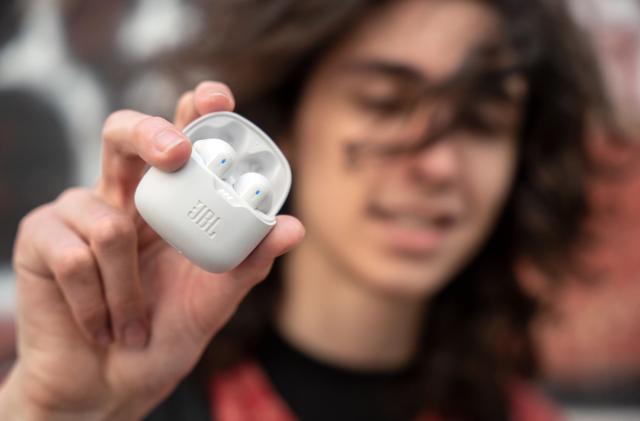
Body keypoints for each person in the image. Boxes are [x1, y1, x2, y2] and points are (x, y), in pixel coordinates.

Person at [0, 0, 618, 420]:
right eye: (384, 102)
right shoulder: (136, 392)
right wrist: (49, 410)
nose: (439, 165)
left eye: (483, 121)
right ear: (288, 122)